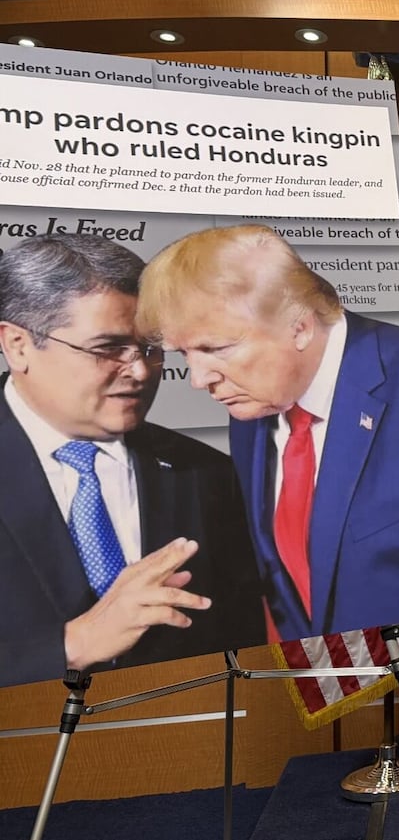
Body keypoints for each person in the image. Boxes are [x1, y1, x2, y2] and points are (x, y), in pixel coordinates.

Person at [136, 224, 399, 641]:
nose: (198, 379)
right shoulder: (252, 404)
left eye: (215, 349)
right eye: (185, 354)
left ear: (300, 326)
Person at [0, 234, 265, 689]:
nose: (140, 371)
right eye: (107, 348)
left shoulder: (208, 475)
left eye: (149, 349)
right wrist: (73, 644)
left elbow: (243, 640)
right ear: (19, 345)